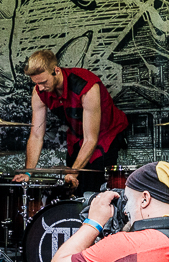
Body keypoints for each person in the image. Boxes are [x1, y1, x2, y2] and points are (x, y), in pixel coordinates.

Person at [13, 50, 128, 193]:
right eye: (36, 83)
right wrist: (28, 173)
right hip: (77, 137)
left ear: (56, 71)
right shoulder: (39, 91)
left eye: (43, 82)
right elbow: (36, 136)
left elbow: (91, 139)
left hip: (105, 135)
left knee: (94, 186)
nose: (40, 88)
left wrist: (74, 172)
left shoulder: (87, 87)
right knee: (72, 188)